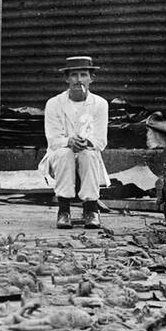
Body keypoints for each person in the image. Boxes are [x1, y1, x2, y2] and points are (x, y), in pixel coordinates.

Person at [38, 55, 109, 229]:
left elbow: (100, 141)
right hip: (60, 155)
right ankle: (64, 211)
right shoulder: (54, 104)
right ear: (66, 78)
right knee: (64, 153)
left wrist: (85, 142)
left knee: (89, 154)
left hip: (87, 153)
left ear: (92, 78)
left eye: (84, 75)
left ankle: (91, 210)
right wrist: (69, 141)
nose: (79, 80)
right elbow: (53, 140)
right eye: (74, 75)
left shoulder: (100, 104)